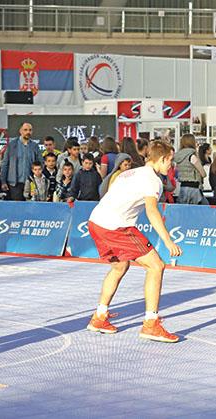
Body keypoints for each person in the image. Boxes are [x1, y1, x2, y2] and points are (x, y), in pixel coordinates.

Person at [87, 140, 182, 343]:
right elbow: (152, 211)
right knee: (156, 266)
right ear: (162, 159)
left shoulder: (129, 173)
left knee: (119, 266)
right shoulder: (153, 181)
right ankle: (151, 324)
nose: (171, 165)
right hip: (115, 226)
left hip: (95, 221)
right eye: (170, 161)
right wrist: (168, 241)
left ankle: (99, 317)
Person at [0, 122, 40, 201]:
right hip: (15, 184)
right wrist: (3, 181)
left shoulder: (35, 146)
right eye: (25, 130)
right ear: (20, 131)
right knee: (17, 206)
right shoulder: (11, 145)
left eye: (30, 130)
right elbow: (5, 164)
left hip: (31, 183)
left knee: (31, 207)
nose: (28, 132)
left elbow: (40, 162)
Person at [174, 134, 208, 205]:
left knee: (184, 209)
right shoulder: (192, 156)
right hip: (194, 188)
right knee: (203, 207)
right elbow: (203, 174)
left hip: (183, 187)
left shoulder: (178, 156)